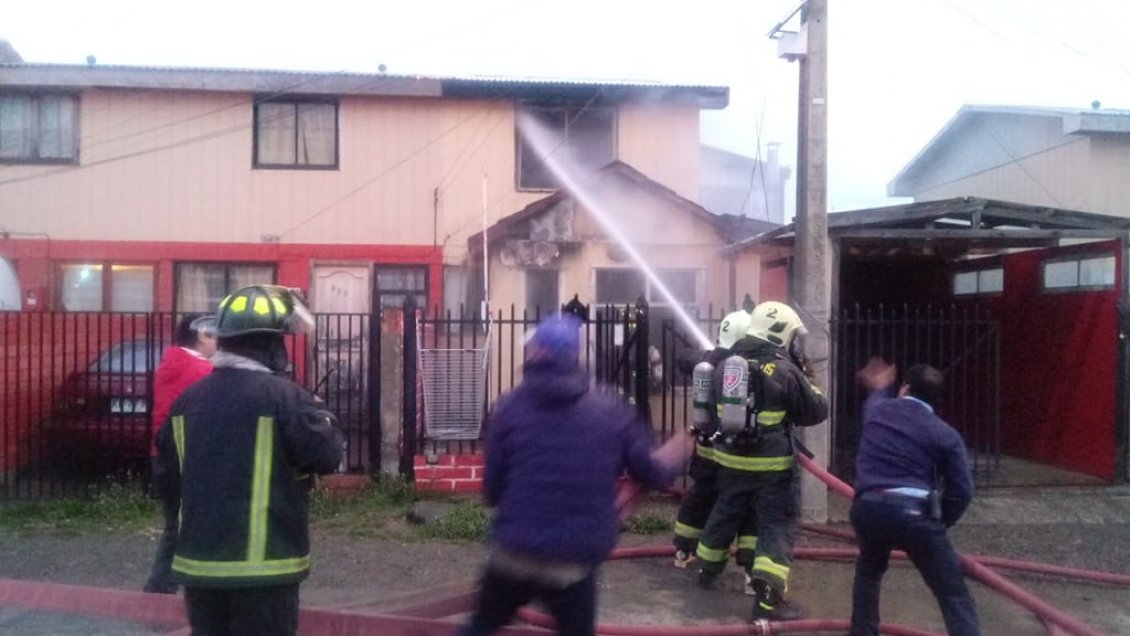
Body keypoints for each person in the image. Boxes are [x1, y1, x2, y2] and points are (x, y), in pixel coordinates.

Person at [460, 313, 691, 636]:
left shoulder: (508, 408)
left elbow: (491, 491)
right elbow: (651, 473)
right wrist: (679, 450)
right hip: (573, 561)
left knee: (482, 625)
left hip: (515, 553)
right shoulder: (610, 410)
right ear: (577, 356)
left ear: (536, 353)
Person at [153, 285, 344, 636]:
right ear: (270, 345)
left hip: (200, 566)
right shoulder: (286, 398)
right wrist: (321, 414)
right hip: (264, 571)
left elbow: (165, 477)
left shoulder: (187, 401)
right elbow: (328, 455)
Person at [694, 301, 828, 622]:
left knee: (726, 513)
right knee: (776, 526)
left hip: (730, 461)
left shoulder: (725, 365)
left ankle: (706, 570)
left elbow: (711, 413)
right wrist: (806, 373)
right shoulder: (783, 369)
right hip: (772, 468)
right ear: (780, 332)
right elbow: (816, 411)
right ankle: (768, 601)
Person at [849, 360, 980, 636]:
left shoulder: (877, 411)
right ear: (935, 400)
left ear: (905, 388)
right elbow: (962, 490)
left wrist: (880, 386)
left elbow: (875, 398)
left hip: (868, 508)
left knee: (869, 572)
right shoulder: (944, 434)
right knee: (952, 591)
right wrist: (940, 521)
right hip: (913, 514)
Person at [143, 313, 218, 595]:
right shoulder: (198, 371)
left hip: (167, 456)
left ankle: (165, 588)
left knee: (178, 525)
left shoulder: (175, 362)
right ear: (202, 335)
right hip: (185, 458)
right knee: (183, 527)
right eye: (216, 335)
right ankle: (161, 589)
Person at [671, 309, 752, 568]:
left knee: (700, 498)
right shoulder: (745, 365)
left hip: (706, 449)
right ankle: (745, 562)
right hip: (736, 453)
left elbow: (683, 358)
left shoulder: (707, 362)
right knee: (742, 506)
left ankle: (684, 550)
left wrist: (706, 356)